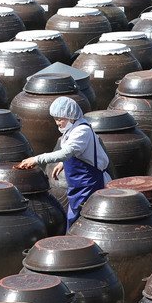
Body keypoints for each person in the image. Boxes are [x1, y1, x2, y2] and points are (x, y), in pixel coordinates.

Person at [18, 96, 110, 226]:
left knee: (83, 219)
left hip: (89, 183)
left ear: (71, 116)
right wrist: (63, 163)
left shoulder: (81, 131)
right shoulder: (71, 130)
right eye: (55, 119)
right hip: (78, 185)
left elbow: (67, 152)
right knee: (75, 216)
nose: (57, 122)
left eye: (59, 119)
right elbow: (78, 153)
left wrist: (36, 159)